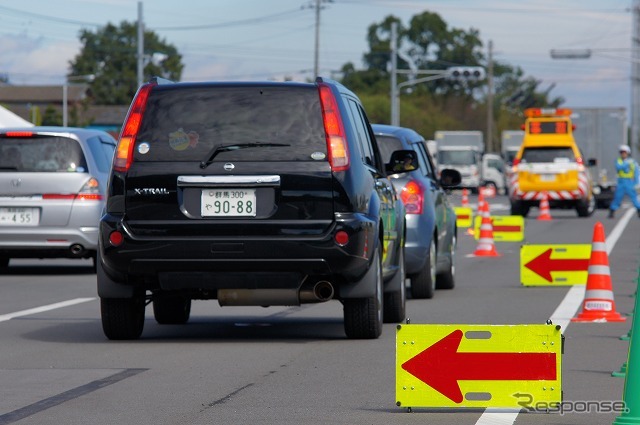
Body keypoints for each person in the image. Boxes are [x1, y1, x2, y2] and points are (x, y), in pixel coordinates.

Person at [608, 145, 640, 218]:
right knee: (617, 197)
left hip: (629, 182)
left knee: (634, 197)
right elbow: (618, 167)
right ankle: (612, 211)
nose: (623, 154)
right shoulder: (619, 160)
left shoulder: (632, 161)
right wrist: (626, 163)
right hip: (621, 182)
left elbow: (636, 172)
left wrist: (637, 183)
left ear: (628, 153)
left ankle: (639, 210)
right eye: (621, 152)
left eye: (624, 152)